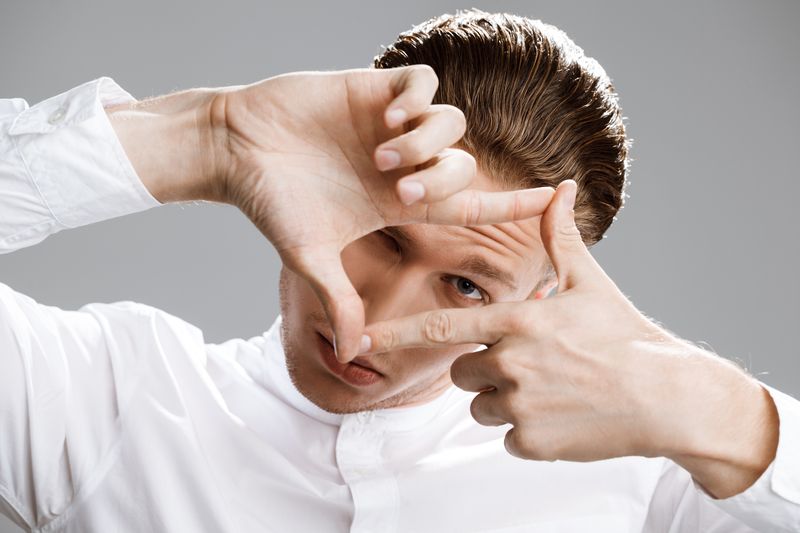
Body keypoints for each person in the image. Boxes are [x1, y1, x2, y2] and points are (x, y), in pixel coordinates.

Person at [0, 9, 797, 533]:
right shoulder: (113, 402)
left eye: (467, 285)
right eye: (383, 237)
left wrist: (699, 402)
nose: (368, 322)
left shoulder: (647, 484)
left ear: (544, 296)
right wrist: (207, 138)